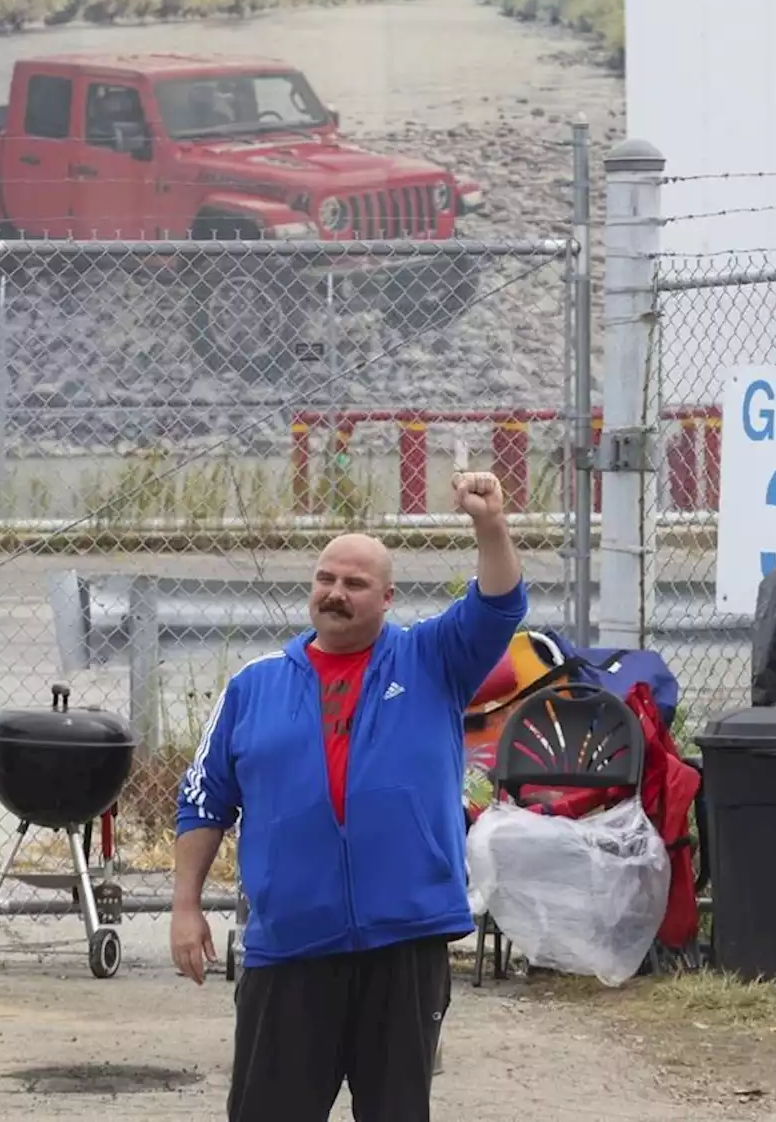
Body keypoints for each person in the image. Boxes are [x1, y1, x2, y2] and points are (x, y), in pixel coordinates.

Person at [170, 469, 527, 1122]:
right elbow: (204, 801)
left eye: (354, 583)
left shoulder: (434, 661)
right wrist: (185, 906)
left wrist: (489, 524)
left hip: (403, 944)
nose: (335, 594)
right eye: (325, 579)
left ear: (387, 597)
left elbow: (499, 604)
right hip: (291, 948)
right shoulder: (255, 686)